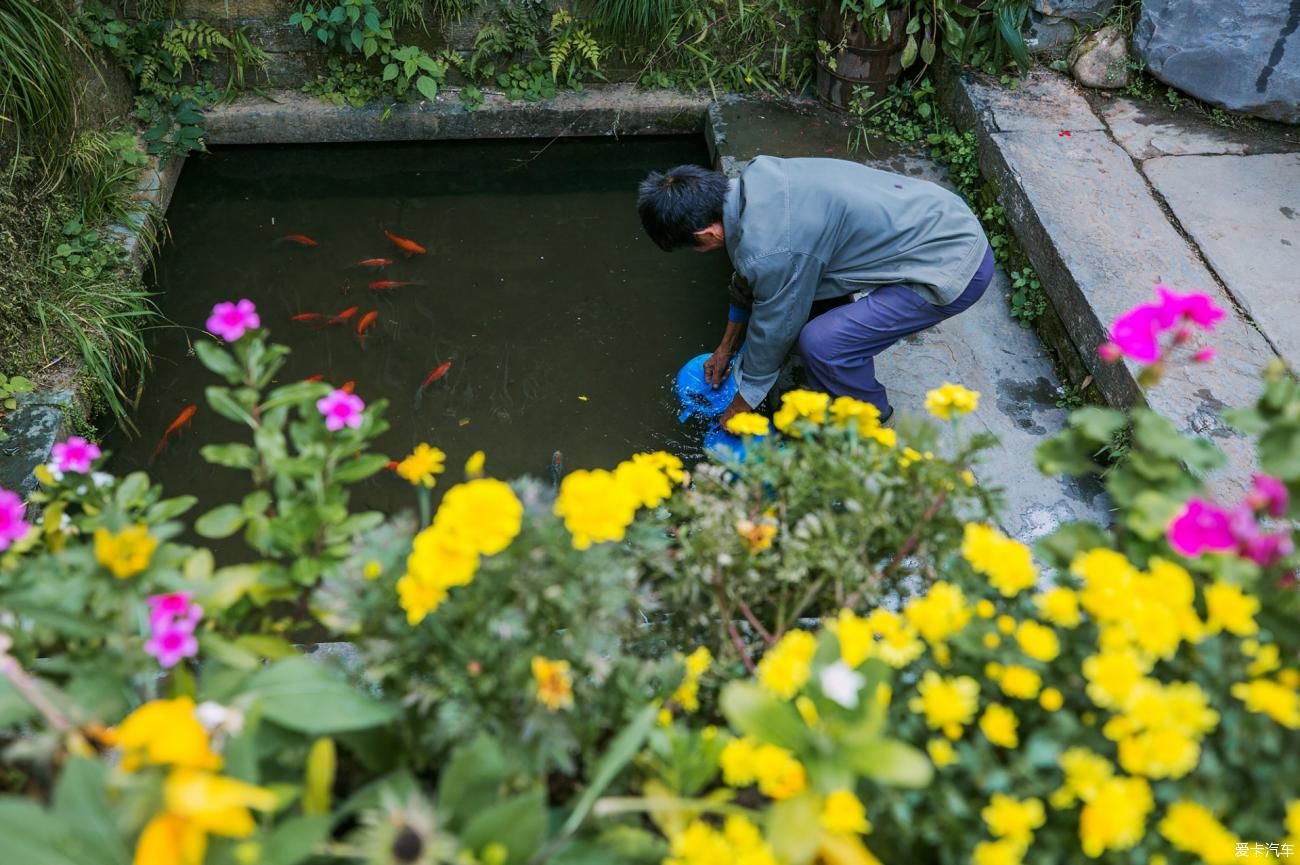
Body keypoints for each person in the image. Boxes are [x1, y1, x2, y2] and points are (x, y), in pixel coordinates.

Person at [637, 156, 993, 427]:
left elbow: (771, 332)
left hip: (952, 266)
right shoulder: (755, 182)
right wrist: (725, 346)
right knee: (804, 303)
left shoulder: (771, 248)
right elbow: (749, 279)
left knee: (822, 344)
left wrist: (739, 409)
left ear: (705, 235)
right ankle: (845, 373)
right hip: (936, 214)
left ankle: (871, 419)